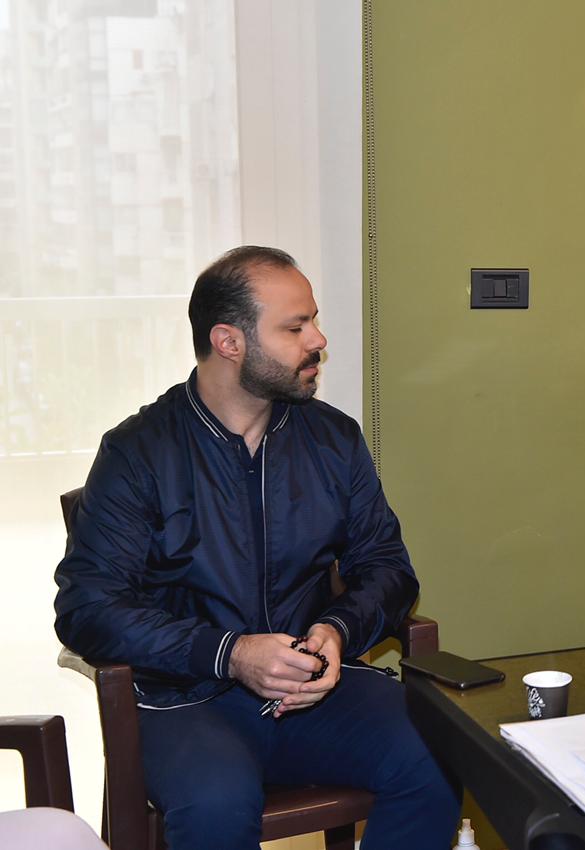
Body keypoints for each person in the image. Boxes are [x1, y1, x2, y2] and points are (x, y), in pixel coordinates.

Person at [54, 247, 459, 850]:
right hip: (188, 699)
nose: (318, 340)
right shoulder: (138, 452)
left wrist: (337, 630)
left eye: (313, 320)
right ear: (229, 341)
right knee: (217, 806)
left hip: (317, 690)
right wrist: (232, 653)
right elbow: (87, 608)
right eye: (295, 328)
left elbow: (387, 568)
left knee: (443, 752)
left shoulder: (333, 439)